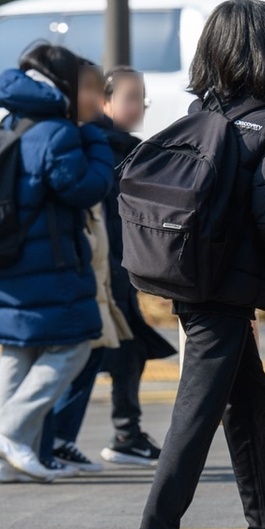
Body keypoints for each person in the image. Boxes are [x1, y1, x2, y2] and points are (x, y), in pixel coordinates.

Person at [118, 0, 265, 529]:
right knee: (194, 416)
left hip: (192, 280)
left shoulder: (202, 113)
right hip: (228, 295)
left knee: (249, 401)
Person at [0, 44, 115, 484]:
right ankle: (7, 431)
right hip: (46, 263)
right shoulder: (57, 131)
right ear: (63, 84)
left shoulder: (11, 121)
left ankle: (2, 459)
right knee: (75, 344)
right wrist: (94, 135)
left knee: (17, 349)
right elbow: (86, 188)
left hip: (4, 259)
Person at [96, 67, 176, 467]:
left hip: (117, 269)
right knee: (99, 354)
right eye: (130, 96)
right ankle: (47, 437)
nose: (138, 105)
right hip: (103, 270)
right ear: (103, 101)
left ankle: (126, 432)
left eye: (141, 96)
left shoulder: (127, 149)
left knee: (126, 350)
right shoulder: (101, 150)